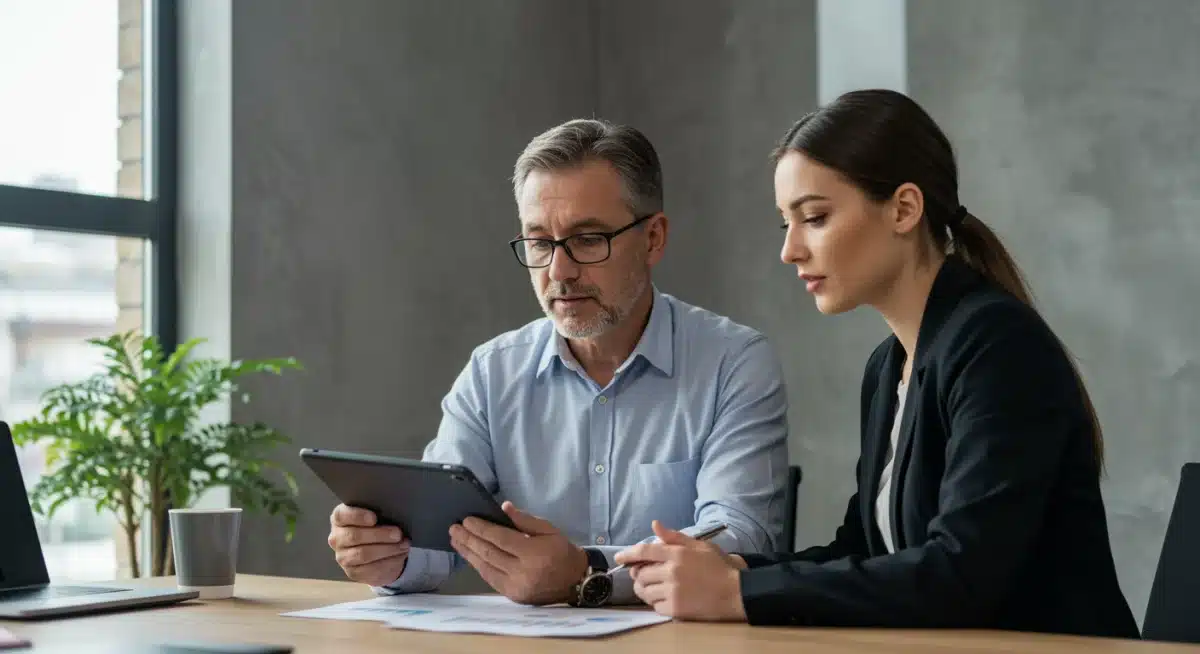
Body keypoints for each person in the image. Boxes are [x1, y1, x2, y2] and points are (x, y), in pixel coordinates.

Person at [614, 89, 1140, 638]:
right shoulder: (889, 366)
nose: (789, 249)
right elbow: (864, 549)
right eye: (784, 224)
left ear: (904, 209)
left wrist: (739, 593)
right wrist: (732, 568)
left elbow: (960, 576)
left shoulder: (997, 346)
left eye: (814, 217)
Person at [326, 118, 790, 607]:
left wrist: (587, 572)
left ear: (653, 238)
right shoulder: (491, 373)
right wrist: (391, 554)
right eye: (540, 242)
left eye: (588, 240)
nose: (559, 272)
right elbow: (442, 535)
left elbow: (740, 540)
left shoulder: (734, 363)